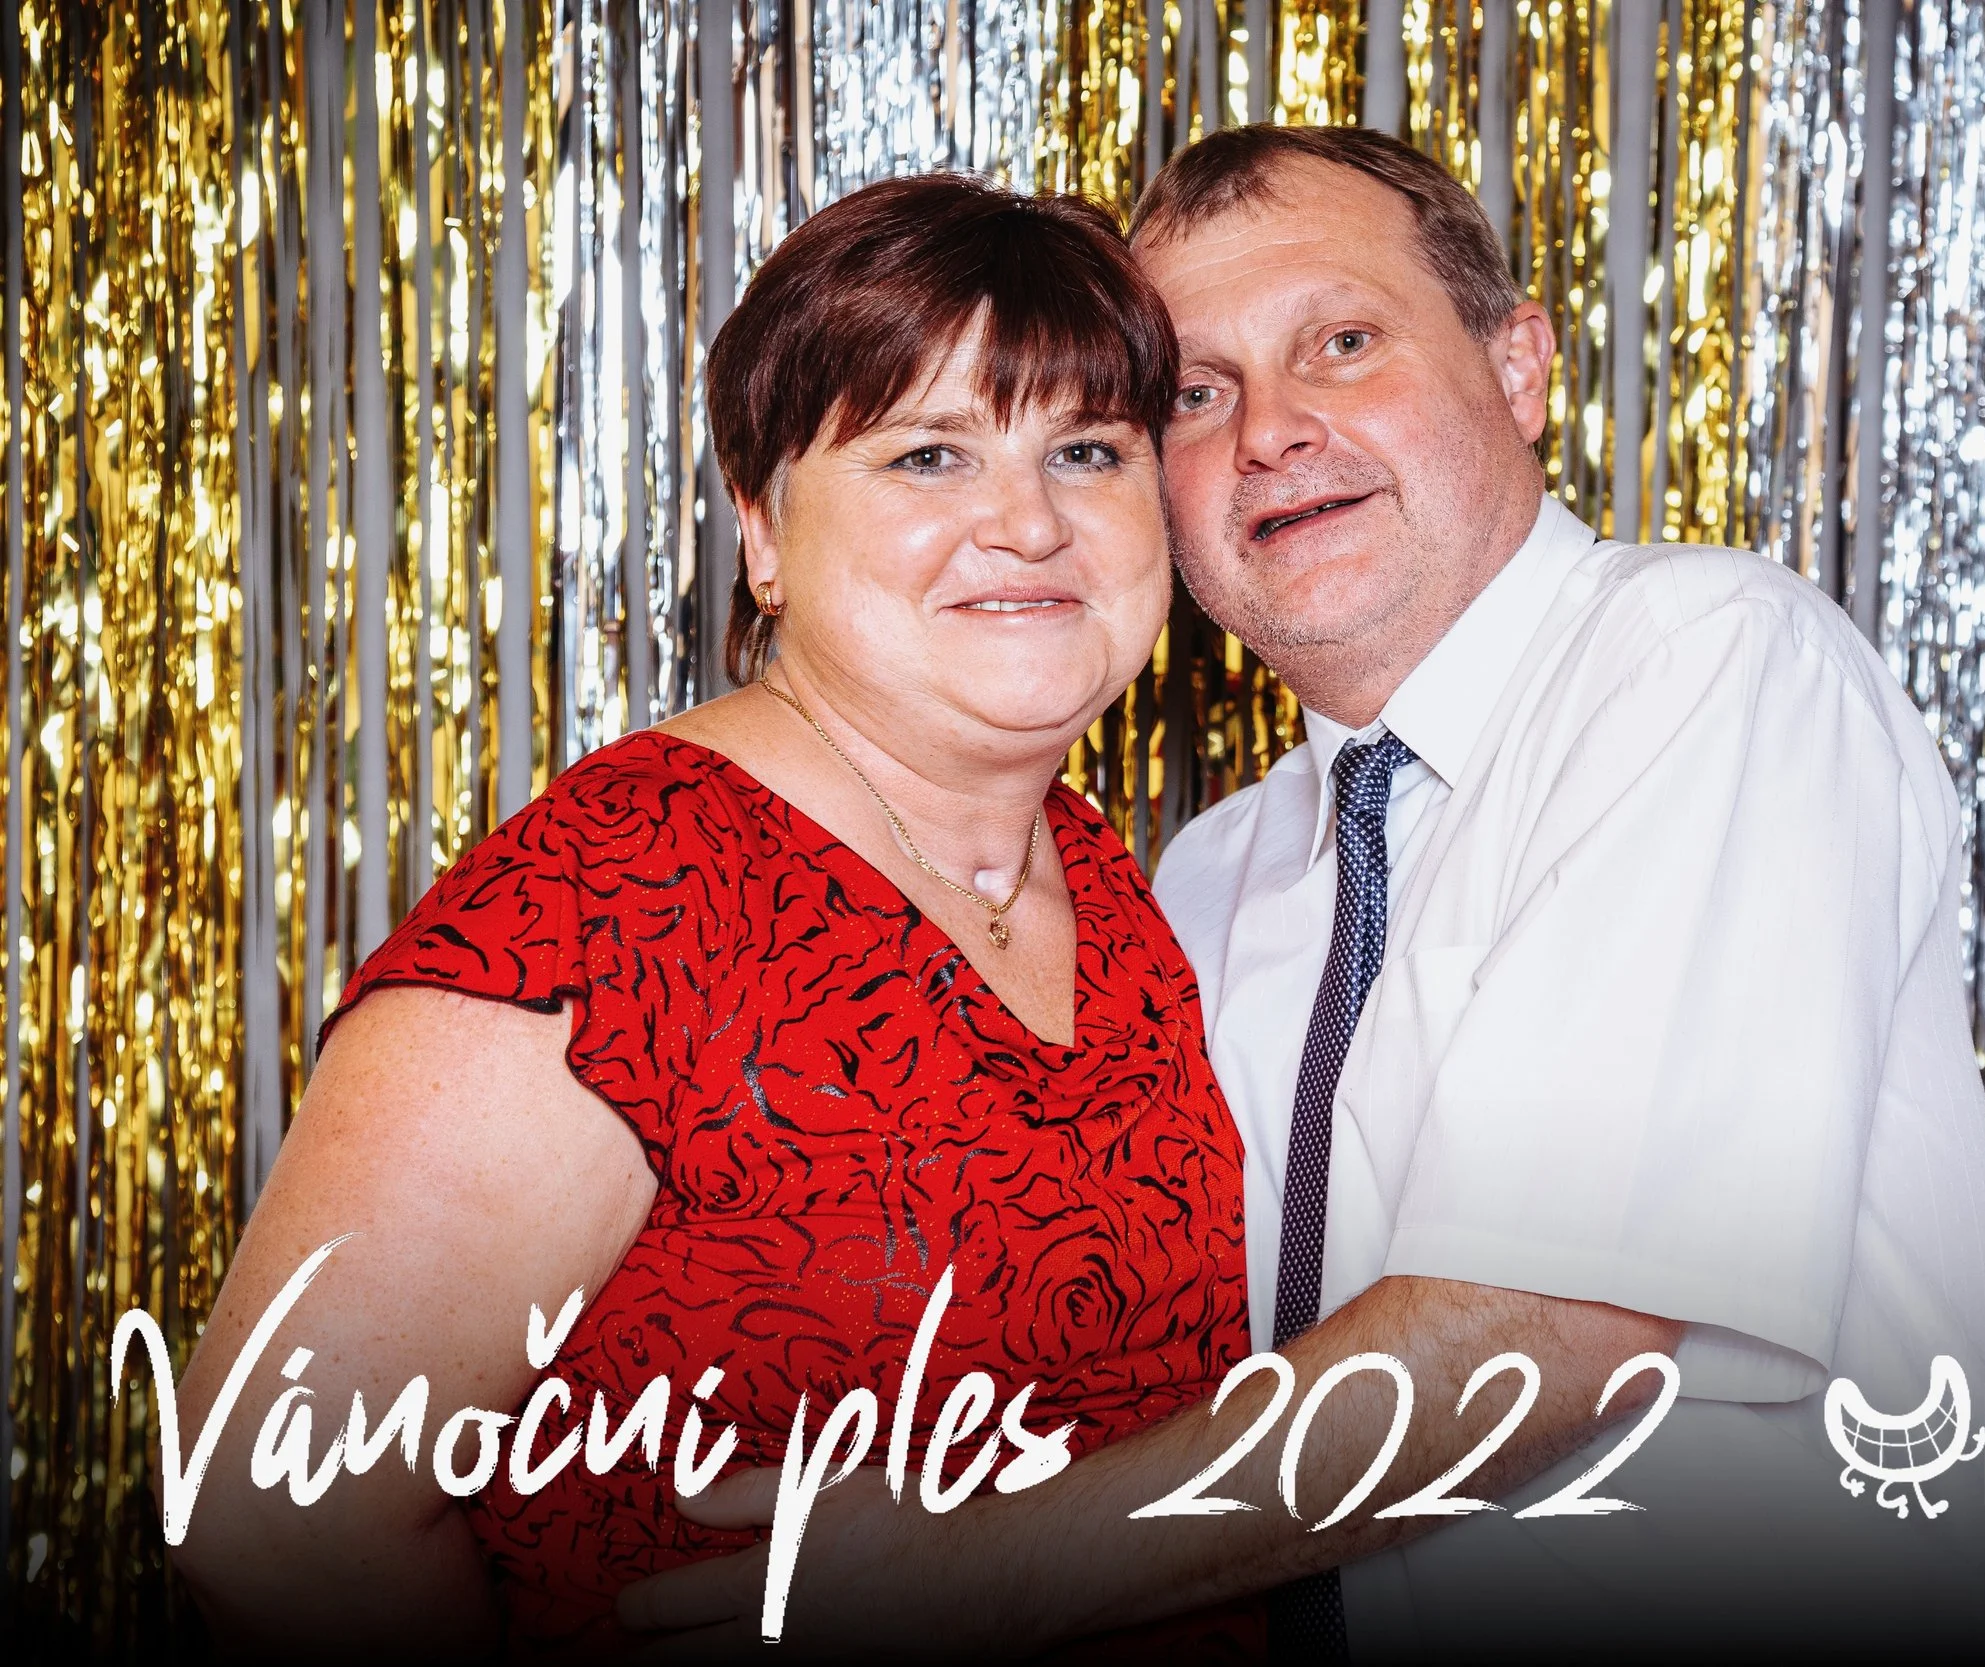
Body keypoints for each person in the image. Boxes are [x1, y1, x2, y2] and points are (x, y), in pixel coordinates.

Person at [621, 128, 1985, 1660]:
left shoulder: (1709, 659)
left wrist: (964, 1578)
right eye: (1196, 393)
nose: (1270, 431)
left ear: (1518, 369)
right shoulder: (1204, 873)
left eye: (1344, 343)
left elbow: (1547, 1328)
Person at [166, 174, 1250, 1658]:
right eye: (928, 454)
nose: (1028, 522)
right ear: (761, 529)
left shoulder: (1107, 876)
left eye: (1086, 451)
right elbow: (270, 1507)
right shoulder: (621, 892)